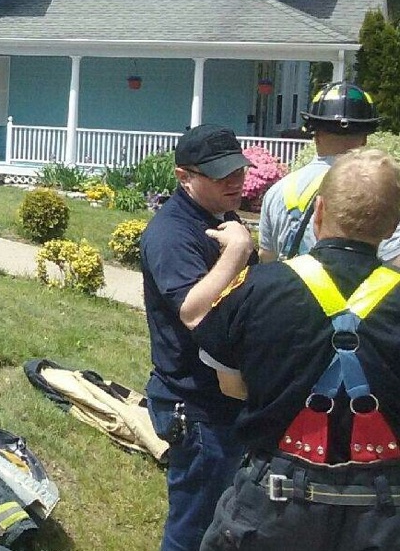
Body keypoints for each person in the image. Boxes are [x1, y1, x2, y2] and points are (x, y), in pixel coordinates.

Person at [193, 148, 400, 550]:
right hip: (384, 514)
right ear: (393, 225)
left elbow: (230, 385)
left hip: (274, 504)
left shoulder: (257, 286)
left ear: (318, 211)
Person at [140, 124, 258, 551]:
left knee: (227, 520)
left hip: (229, 400)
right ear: (183, 176)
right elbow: (192, 309)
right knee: (193, 527)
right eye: (220, 173)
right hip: (196, 404)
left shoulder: (220, 218)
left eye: (238, 170)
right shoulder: (171, 233)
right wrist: (237, 251)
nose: (235, 180)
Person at [259, 80, 400, 263]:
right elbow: (394, 259)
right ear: (365, 137)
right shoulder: (381, 189)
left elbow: (267, 257)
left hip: (291, 288)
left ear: (315, 135)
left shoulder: (278, 191)